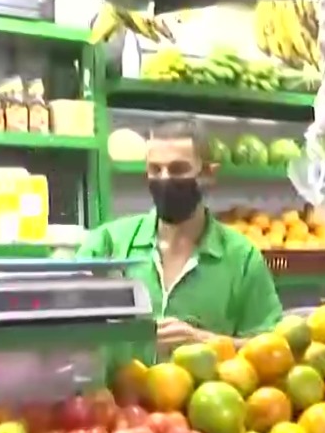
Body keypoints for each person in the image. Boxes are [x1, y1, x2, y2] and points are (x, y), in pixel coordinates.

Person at [77, 117, 283, 352]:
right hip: (119, 389)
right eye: (155, 169)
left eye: (178, 169)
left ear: (208, 174)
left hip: (204, 389)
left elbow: (271, 349)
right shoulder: (107, 244)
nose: (165, 179)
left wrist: (204, 341)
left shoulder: (242, 258)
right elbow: (67, 328)